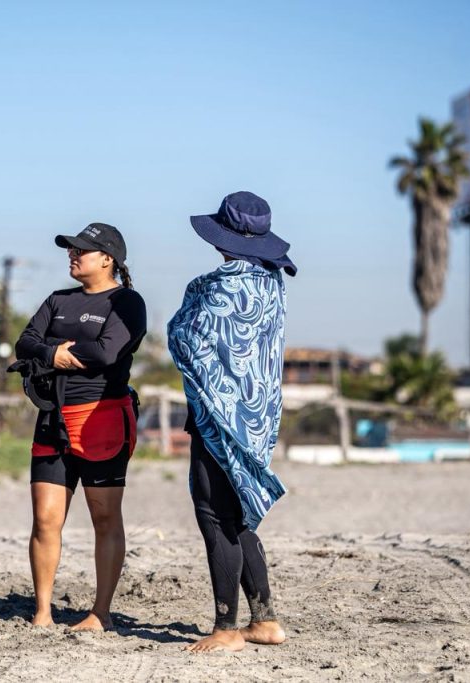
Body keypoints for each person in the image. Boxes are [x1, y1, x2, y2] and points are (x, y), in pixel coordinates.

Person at [167, 191, 296, 652]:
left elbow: (183, 338)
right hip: (257, 415)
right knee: (238, 512)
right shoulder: (271, 283)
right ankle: (265, 621)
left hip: (218, 415)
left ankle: (226, 628)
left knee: (214, 513)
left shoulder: (217, 286)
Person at [11, 223, 146, 631]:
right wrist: (55, 353)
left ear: (107, 259)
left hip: (101, 419)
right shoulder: (58, 299)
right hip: (52, 418)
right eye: (70, 249)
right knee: (45, 519)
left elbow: (107, 352)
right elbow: (25, 343)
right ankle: (42, 612)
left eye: (80, 250)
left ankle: (100, 613)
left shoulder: (127, 302)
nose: (72, 255)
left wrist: (53, 352)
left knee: (105, 519)